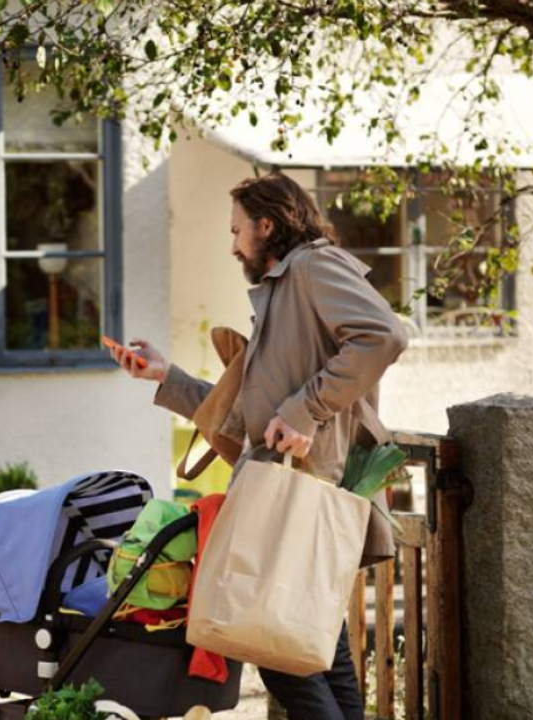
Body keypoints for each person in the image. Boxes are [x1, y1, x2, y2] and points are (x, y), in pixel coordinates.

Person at [108, 173, 408, 720]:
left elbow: (384, 336)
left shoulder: (316, 266)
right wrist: (163, 376)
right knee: (317, 649)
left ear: (266, 226)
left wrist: (304, 410)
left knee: (271, 642)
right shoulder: (284, 289)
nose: (232, 244)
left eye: (237, 230)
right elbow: (249, 414)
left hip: (299, 493)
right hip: (290, 492)